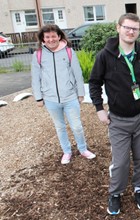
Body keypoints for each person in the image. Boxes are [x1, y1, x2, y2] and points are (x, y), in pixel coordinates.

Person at [88, 13, 140, 215]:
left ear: (138, 31)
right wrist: (99, 109)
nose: (130, 31)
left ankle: (139, 189)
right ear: (118, 28)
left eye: (135, 29)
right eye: (127, 27)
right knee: (120, 162)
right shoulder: (105, 56)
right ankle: (116, 193)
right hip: (118, 119)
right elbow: (94, 83)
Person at [31, 24, 96, 165]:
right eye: (47, 37)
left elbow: (77, 73)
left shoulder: (68, 52)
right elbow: (35, 77)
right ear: (43, 39)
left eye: (53, 36)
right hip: (50, 99)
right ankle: (67, 151)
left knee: (77, 126)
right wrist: (38, 97)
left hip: (70, 97)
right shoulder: (38, 54)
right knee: (60, 127)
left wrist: (80, 93)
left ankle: (83, 149)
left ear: (59, 36)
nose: (51, 39)